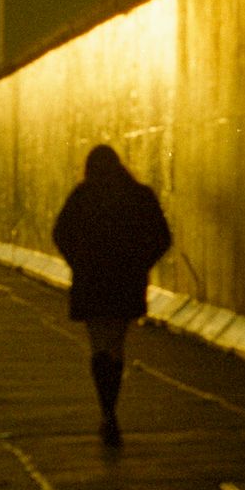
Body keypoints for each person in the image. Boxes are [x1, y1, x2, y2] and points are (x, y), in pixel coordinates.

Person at [50, 145, 172, 442]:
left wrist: (77, 261)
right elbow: (162, 237)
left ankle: (106, 411)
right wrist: (140, 264)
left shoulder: (82, 195)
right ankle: (110, 410)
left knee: (98, 344)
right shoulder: (139, 196)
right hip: (125, 281)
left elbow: (60, 232)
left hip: (91, 280)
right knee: (117, 344)